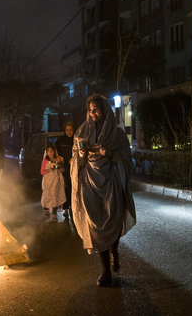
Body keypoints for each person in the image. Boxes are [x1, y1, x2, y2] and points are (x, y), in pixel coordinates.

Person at [71, 94, 136, 287]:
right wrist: (81, 155)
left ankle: (114, 248)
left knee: (113, 221)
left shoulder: (116, 135)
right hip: (90, 184)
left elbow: (126, 157)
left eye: (96, 109)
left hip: (111, 183)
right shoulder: (81, 132)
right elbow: (75, 160)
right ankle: (106, 271)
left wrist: (112, 154)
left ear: (105, 110)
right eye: (90, 110)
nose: (93, 113)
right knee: (96, 226)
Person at [40, 144, 67, 221]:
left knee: (55, 194)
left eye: (52, 151)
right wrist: (47, 170)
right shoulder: (45, 160)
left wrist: (59, 165)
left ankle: (54, 212)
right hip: (47, 181)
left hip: (56, 180)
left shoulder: (59, 159)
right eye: (48, 151)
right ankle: (46, 208)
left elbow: (63, 170)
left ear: (54, 151)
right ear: (46, 152)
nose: (50, 153)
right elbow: (42, 171)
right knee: (47, 194)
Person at [55, 122, 74, 220]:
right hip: (63, 168)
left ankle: (72, 207)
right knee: (64, 188)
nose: (69, 132)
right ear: (64, 130)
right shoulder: (60, 140)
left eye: (71, 130)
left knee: (73, 188)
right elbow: (56, 153)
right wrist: (59, 159)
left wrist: (74, 159)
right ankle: (66, 208)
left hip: (74, 167)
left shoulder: (75, 140)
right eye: (67, 130)